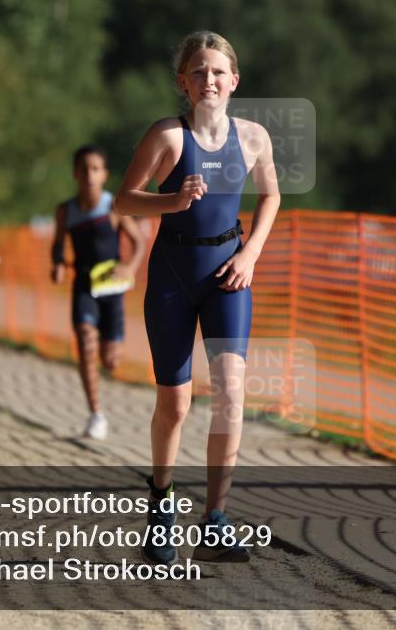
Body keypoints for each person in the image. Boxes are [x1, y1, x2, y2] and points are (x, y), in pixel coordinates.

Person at [114, 31, 280, 564]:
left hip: (229, 273)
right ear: (183, 83)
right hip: (172, 275)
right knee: (176, 402)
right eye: (198, 72)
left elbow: (272, 195)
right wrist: (172, 199)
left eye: (217, 71)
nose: (208, 80)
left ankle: (215, 521)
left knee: (232, 394)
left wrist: (251, 252)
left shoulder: (253, 136)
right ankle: (161, 506)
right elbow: (124, 201)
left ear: (234, 80)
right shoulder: (167, 136)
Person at [51, 144, 146, 440]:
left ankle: (107, 372)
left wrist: (130, 267)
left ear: (104, 174)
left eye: (95, 169)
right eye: (83, 169)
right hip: (83, 285)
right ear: (74, 173)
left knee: (110, 360)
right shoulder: (66, 211)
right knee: (85, 340)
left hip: (112, 288)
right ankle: (96, 413)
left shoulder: (113, 206)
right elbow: (57, 243)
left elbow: (139, 243)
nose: (88, 175)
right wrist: (56, 263)